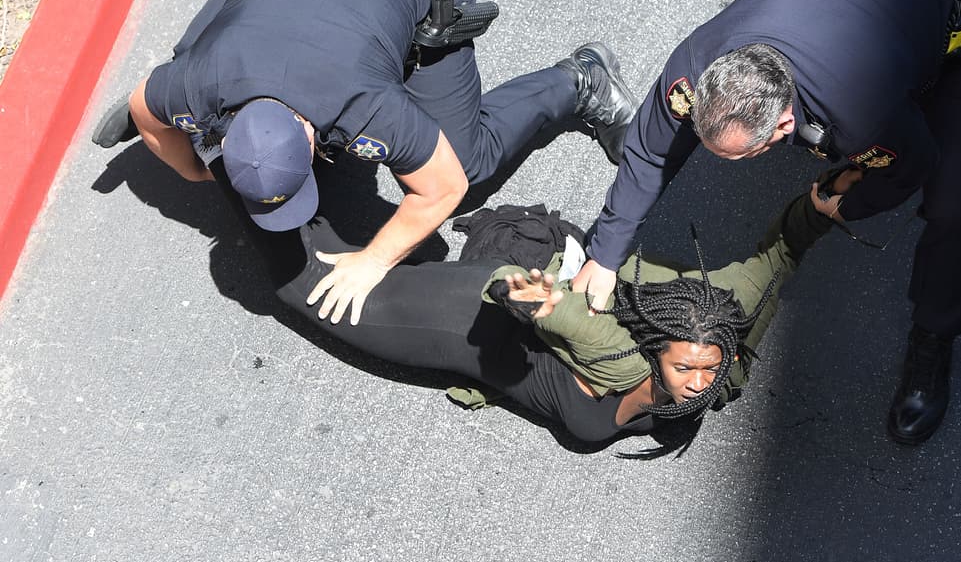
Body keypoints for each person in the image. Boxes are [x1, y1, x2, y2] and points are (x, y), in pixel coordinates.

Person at [570, 0, 961, 446]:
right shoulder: (696, 64)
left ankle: (935, 336)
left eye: (743, 154)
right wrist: (605, 251)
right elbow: (649, 147)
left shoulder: (860, 111)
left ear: (785, 120)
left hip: (957, 6)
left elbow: (913, 164)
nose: (724, 163)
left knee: (957, 202)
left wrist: (847, 203)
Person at [93, 0, 637, 326]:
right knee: (189, 57)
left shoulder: (363, 109)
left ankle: (581, 81)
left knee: (466, 163)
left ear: (313, 137)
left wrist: (372, 262)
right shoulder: (195, 83)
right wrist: (194, 170)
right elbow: (146, 105)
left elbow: (441, 189)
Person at [215, 158, 859, 444]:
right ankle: (235, 156)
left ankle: (285, 160)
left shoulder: (724, 338)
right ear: (656, 348)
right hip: (481, 319)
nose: (698, 383)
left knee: (333, 264)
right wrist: (526, 294)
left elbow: (777, 260)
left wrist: (818, 208)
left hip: (540, 313)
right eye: (685, 368)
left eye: (707, 368)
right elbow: (565, 315)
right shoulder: (612, 350)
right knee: (315, 291)